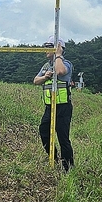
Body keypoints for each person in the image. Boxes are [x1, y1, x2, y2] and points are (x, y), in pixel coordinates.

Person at [33, 35, 74, 171]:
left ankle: (68, 168)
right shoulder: (46, 66)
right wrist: (45, 77)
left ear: (57, 49)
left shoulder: (65, 63)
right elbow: (35, 81)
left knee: (63, 138)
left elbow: (60, 71)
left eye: (49, 47)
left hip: (63, 108)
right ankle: (55, 159)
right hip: (49, 107)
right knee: (44, 132)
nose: (45, 50)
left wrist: (58, 56)